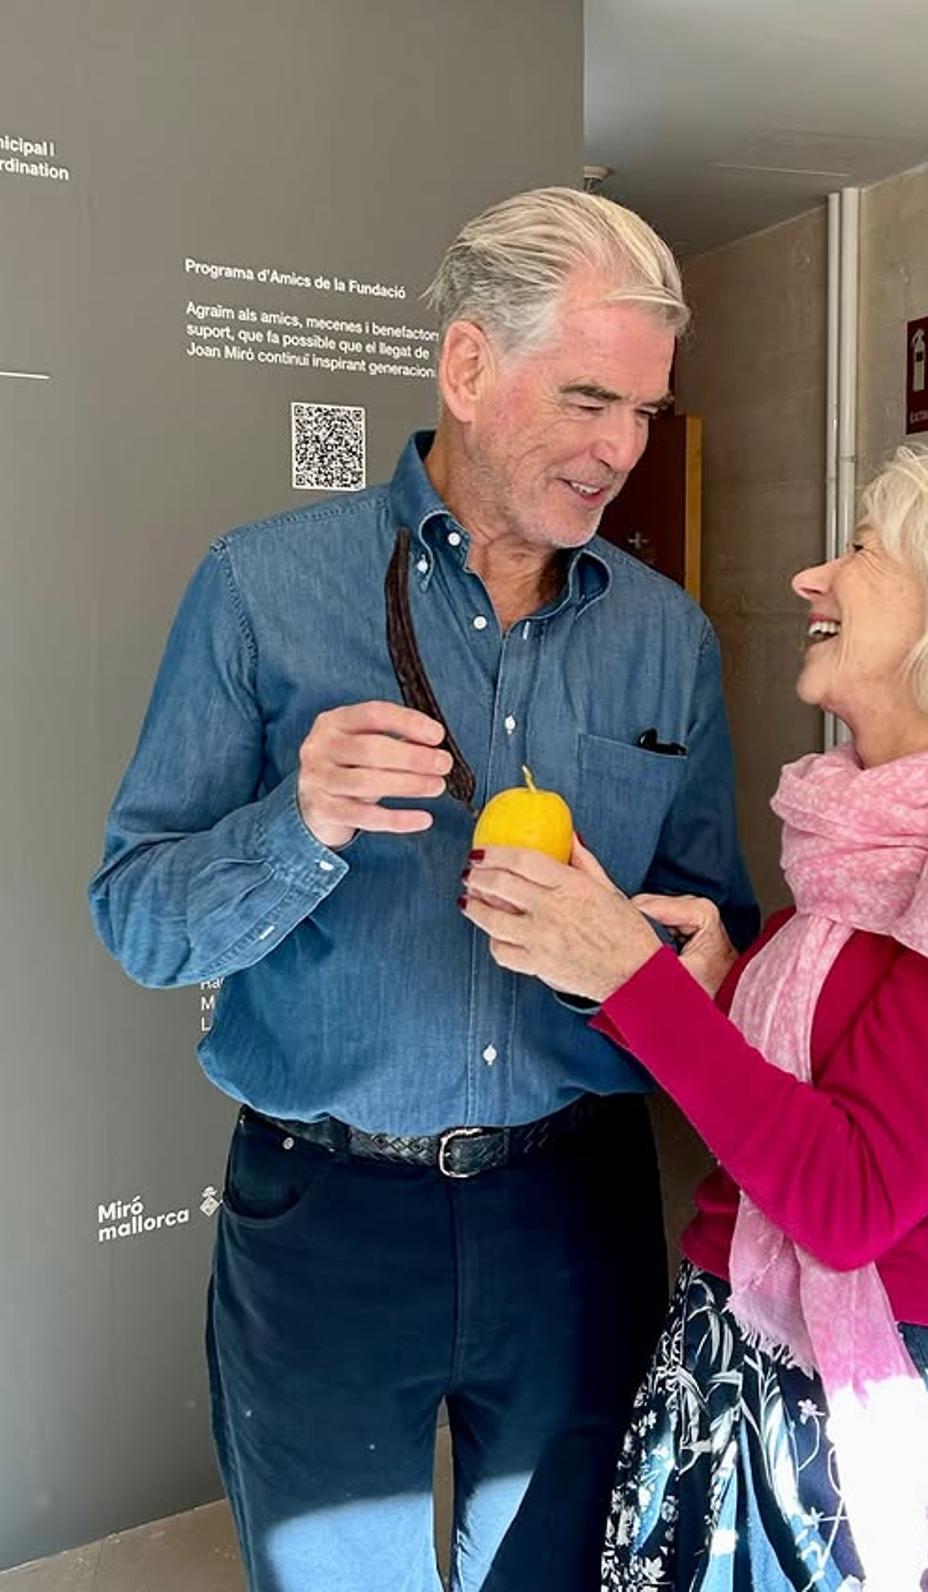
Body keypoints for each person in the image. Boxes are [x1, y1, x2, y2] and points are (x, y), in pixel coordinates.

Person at [88, 187, 758, 1592]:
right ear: (466, 366)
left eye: (641, 411)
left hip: (576, 1214)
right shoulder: (265, 591)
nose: (621, 450)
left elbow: (720, 932)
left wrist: (662, 961)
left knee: (564, 1576)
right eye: (587, 399)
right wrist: (301, 819)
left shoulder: (666, 642)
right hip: (328, 1223)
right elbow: (140, 920)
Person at [461, 449, 928, 1591]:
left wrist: (632, 974)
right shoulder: (872, 847)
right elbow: (836, 1079)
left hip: (853, 1405)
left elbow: (848, 1198)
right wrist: (715, 985)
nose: (809, 577)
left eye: (865, 550)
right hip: (753, 1350)